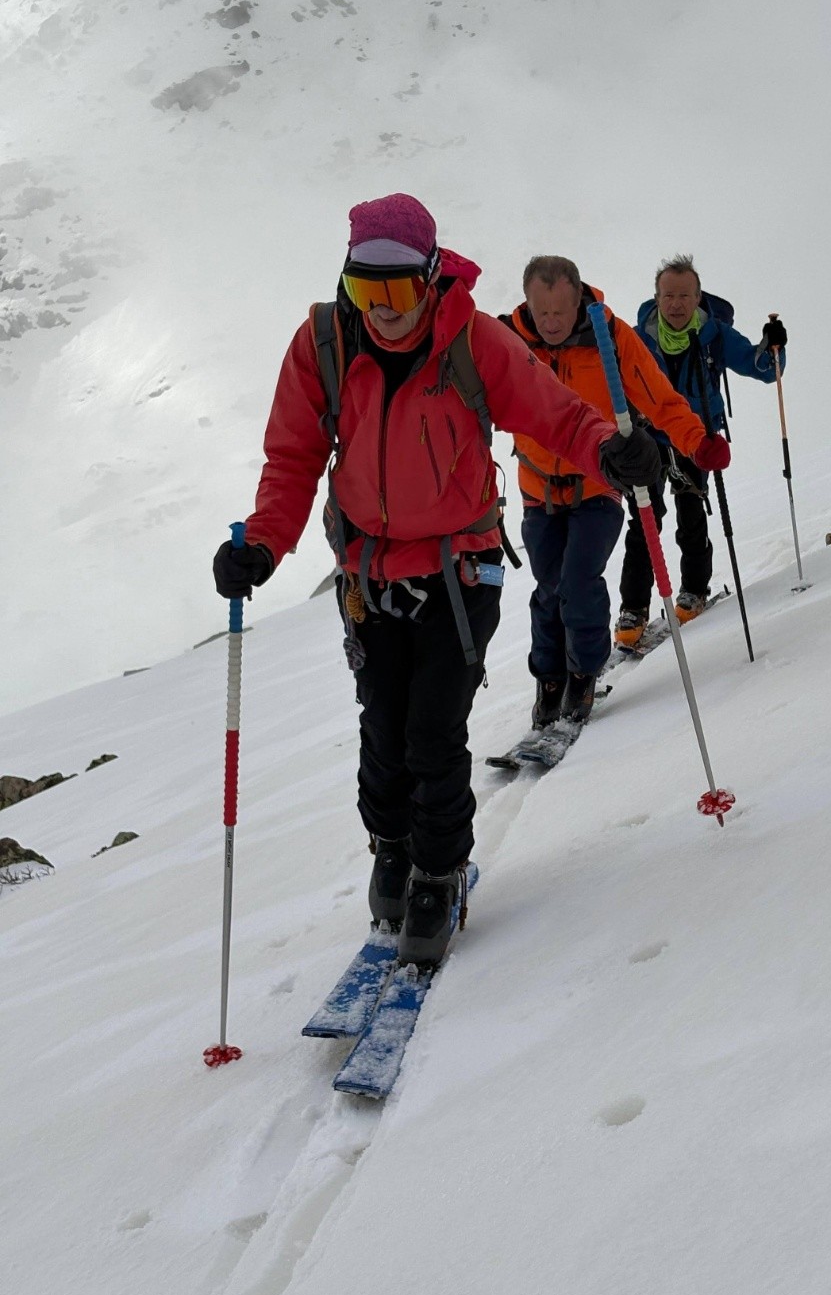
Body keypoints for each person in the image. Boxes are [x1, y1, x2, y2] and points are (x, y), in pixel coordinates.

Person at [211, 196, 659, 969]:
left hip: (460, 570)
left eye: (397, 292)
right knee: (382, 734)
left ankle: (439, 870)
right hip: (367, 578)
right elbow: (292, 459)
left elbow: (555, 414)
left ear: (429, 278)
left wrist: (609, 453)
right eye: (364, 291)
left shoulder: (473, 342)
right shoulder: (323, 342)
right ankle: (392, 846)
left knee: (431, 732)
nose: (382, 312)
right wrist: (262, 543)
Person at [500, 256, 730, 728]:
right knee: (548, 589)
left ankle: (582, 675)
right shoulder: (510, 343)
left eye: (560, 311)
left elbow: (659, 397)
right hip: (536, 489)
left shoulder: (610, 337)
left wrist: (697, 442)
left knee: (579, 581)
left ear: (578, 296)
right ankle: (548, 679)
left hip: (598, 484)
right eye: (541, 312)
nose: (551, 323)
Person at [614, 254, 782, 648]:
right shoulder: (638, 339)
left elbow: (761, 366)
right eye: (668, 295)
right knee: (644, 518)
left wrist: (773, 348)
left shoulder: (715, 334)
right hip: (648, 437)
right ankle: (633, 608)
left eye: (684, 295)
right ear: (656, 297)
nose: (676, 303)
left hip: (695, 435)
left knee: (691, 509)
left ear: (697, 296)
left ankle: (693, 590)